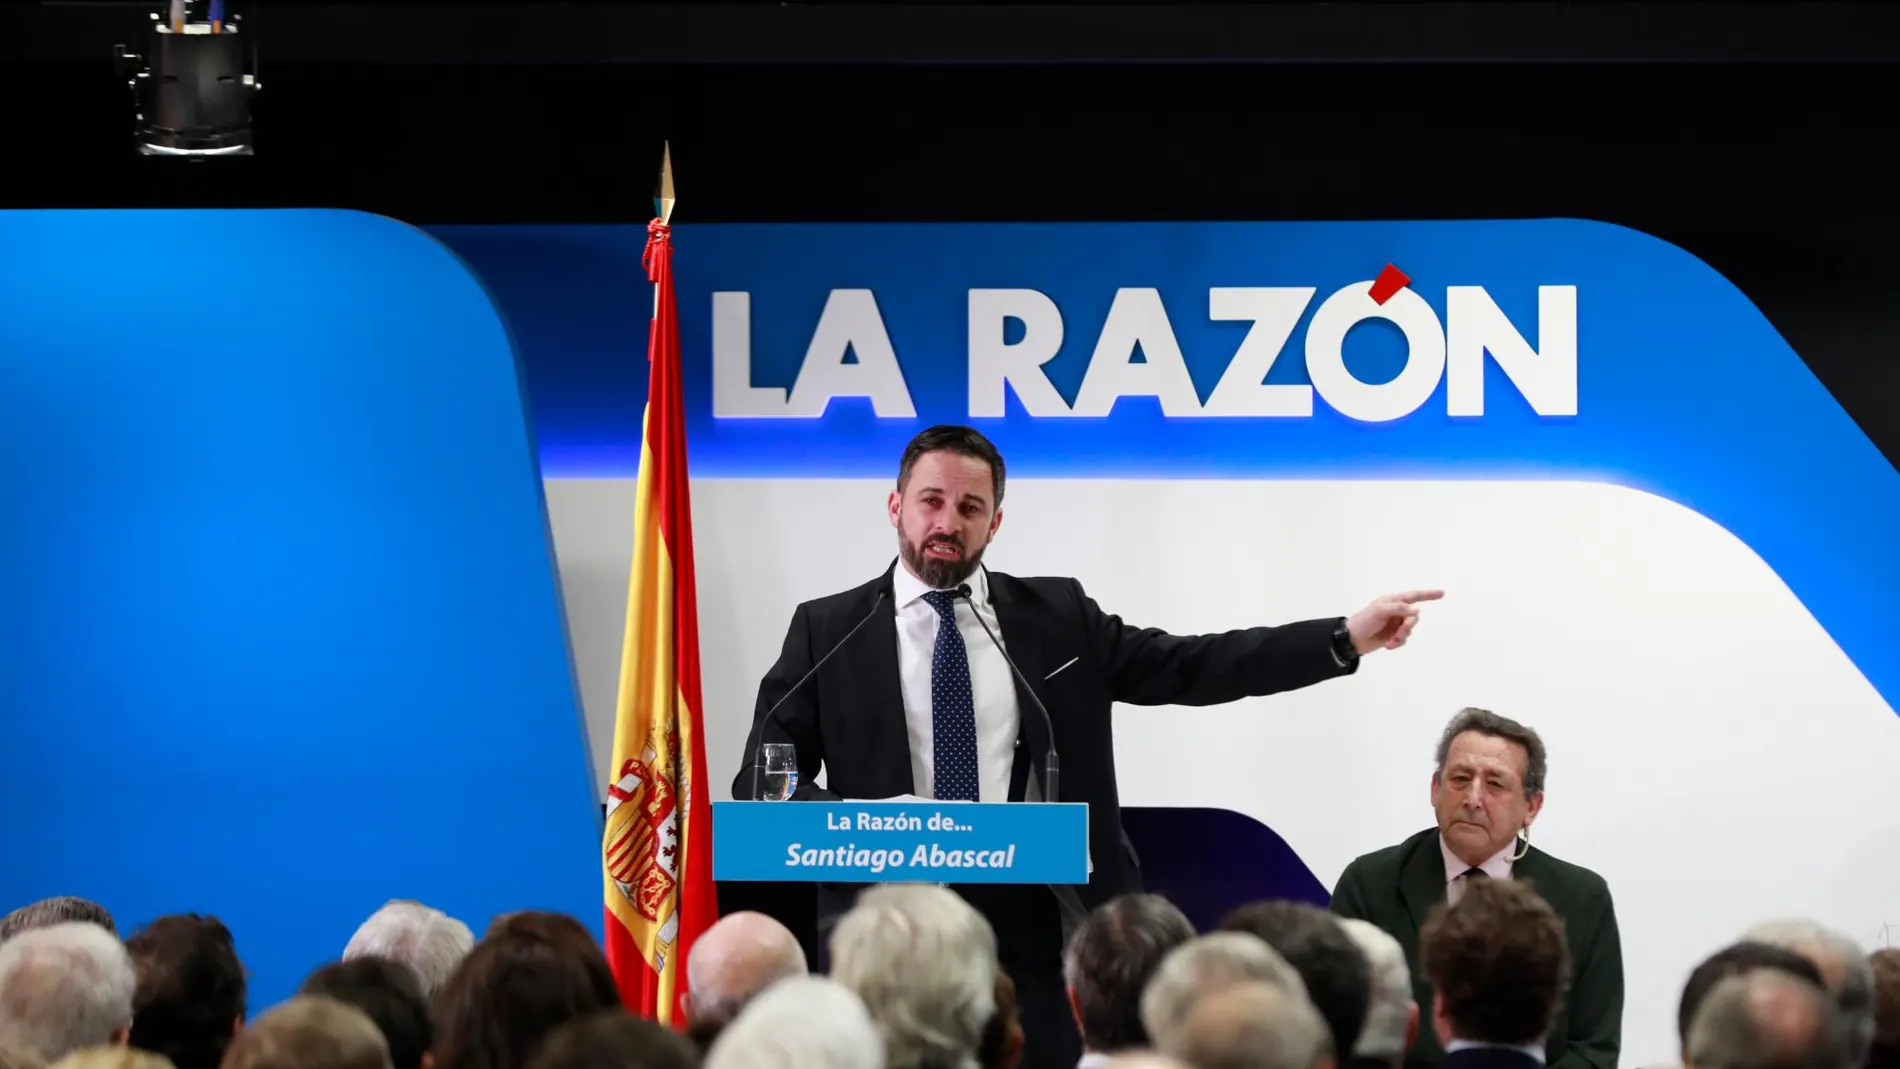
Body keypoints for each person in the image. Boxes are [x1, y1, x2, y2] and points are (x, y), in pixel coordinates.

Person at [735, 424, 1441, 1069]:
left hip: (1040, 916)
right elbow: (766, 781)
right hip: (895, 916)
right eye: (932, 501)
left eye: (970, 507)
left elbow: (1192, 665)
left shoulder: (1056, 618)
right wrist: (870, 820)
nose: (948, 522)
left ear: (996, 521)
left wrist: (1343, 637)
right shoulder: (829, 629)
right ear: (895, 506)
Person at [1330, 708, 1620, 1069]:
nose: (1472, 798)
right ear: (1436, 789)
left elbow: (1593, 1051)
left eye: (1495, 784)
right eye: (1460, 779)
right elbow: (1336, 1032)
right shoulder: (1370, 883)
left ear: (1532, 806)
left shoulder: (1582, 898)